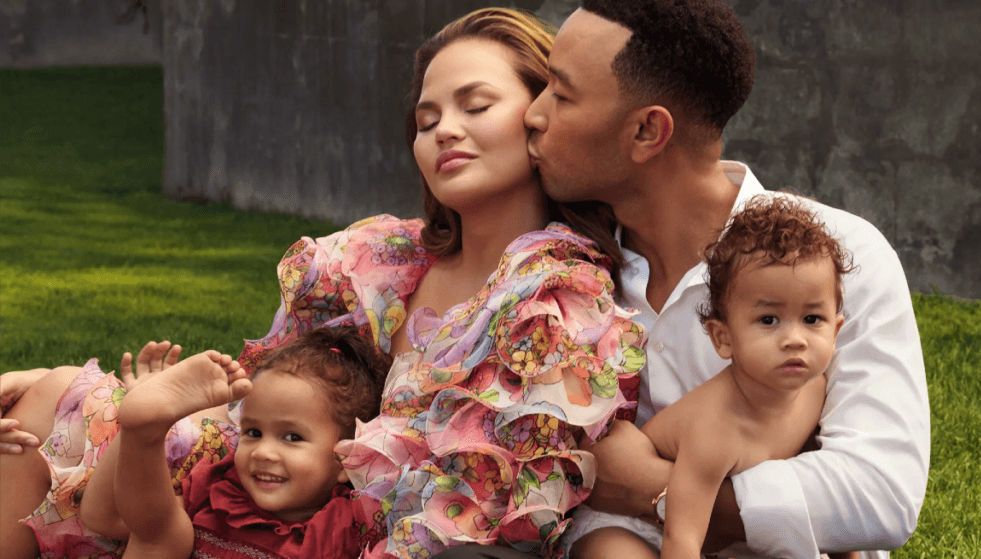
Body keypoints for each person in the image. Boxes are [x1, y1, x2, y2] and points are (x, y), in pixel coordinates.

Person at [0, 7, 645, 559]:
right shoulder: (378, 261)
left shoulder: (557, 302)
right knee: (51, 407)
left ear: (541, 119)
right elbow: (254, 399)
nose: (444, 129)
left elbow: (491, 508)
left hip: (352, 537)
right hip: (248, 491)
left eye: (476, 106)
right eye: (425, 120)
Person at [519, 0, 930, 557]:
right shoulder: (561, 277)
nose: (533, 114)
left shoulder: (842, 256)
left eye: (561, 95)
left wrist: (655, 491)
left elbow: (881, 492)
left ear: (647, 131)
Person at [567, 195, 859, 559]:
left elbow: (828, 509)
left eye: (812, 319)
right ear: (723, 338)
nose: (795, 340)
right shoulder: (717, 429)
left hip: (720, 532)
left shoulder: (818, 392)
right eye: (769, 320)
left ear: (836, 330)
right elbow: (682, 537)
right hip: (637, 520)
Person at [80, 326, 386, 559]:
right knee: (161, 535)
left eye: (292, 437)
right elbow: (107, 518)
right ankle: (145, 433)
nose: (263, 452)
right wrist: (136, 429)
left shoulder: (344, 525)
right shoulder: (221, 493)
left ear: (346, 458)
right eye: (252, 432)